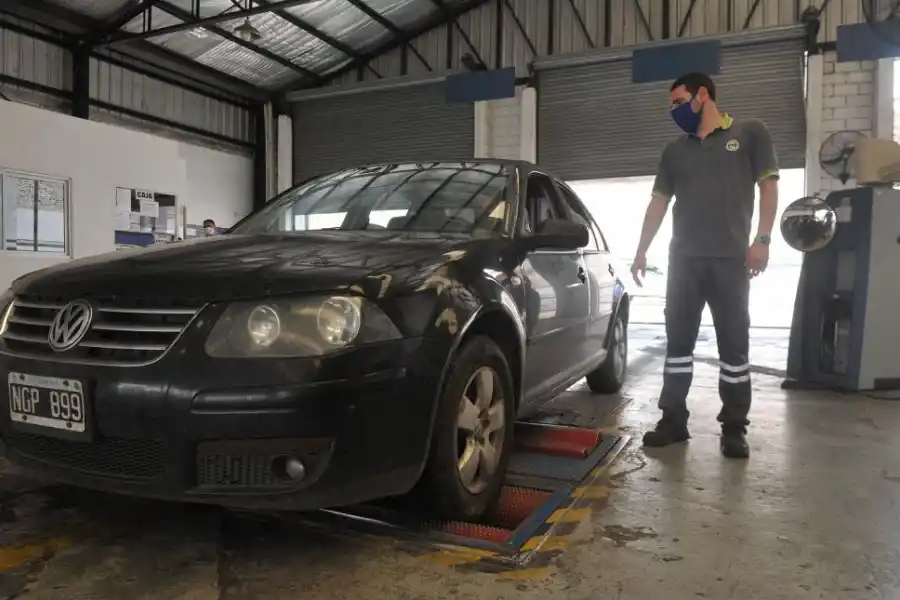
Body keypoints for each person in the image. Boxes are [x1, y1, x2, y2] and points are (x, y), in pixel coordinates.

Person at [631, 72, 779, 459]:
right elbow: (659, 201)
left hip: (730, 261)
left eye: (678, 102)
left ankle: (733, 428)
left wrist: (762, 240)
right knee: (677, 347)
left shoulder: (750, 133)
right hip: (684, 262)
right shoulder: (674, 151)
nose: (674, 111)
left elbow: (768, 185)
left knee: (734, 348)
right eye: (671, 106)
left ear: (702, 96)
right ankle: (673, 422)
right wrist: (642, 249)